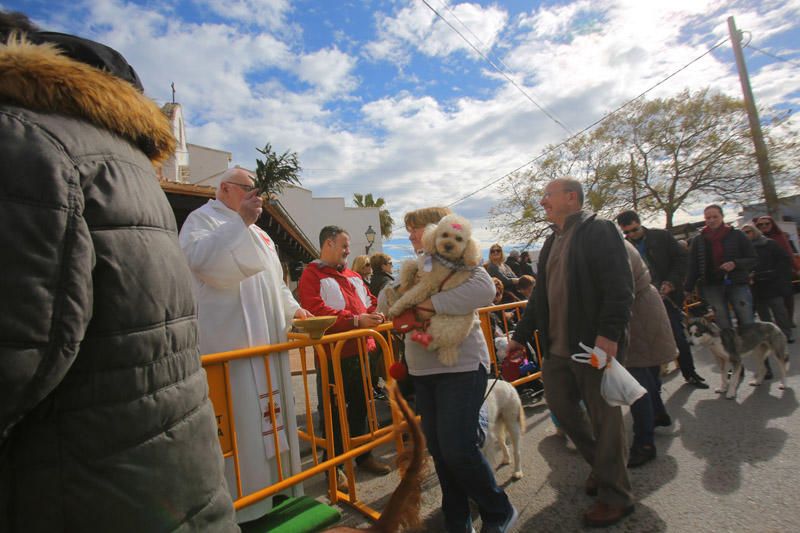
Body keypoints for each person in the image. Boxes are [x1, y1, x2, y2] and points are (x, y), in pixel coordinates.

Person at [0, 12, 236, 531]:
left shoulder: (22, 140)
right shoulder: (127, 163)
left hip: (83, 491)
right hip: (162, 476)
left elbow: (17, 352)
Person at [179, 167, 312, 521]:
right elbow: (205, 263)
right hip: (232, 350)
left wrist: (296, 309)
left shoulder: (262, 236)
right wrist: (239, 224)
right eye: (250, 189)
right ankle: (243, 506)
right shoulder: (200, 220)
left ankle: (279, 489)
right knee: (243, 428)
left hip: (267, 349)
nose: (258, 197)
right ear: (225, 188)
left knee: (272, 418)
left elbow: (277, 284)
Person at [379, 207, 518, 533]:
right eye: (409, 229)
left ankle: (498, 509)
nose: (410, 235)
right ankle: (457, 519)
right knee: (441, 450)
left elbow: (484, 289)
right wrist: (391, 304)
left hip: (462, 366)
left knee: (457, 447)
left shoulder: (456, 260)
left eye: (415, 228)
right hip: (424, 371)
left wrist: (427, 306)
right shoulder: (412, 269)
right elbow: (390, 310)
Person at [507, 178, 635, 527]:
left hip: (592, 346)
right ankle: (603, 468)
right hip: (557, 350)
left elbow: (620, 287)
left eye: (548, 195)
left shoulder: (601, 230)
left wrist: (608, 336)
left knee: (605, 420)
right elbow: (539, 297)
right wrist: (519, 336)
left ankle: (616, 497)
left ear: (571, 198)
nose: (543, 200)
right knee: (562, 409)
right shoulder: (551, 240)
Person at [297, 226, 391, 490]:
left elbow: (370, 301)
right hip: (334, 355)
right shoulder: (311, 275)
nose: (349, 251)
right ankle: (333, 468)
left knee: (362, 405)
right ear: (328, 243)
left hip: (364, 350)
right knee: (334, 410)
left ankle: (362, 456)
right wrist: (356, 320)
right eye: (345, 245)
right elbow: (314, 309)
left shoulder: (352, 275)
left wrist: (376, 314)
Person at [615, 210, 708, 388]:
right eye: (626, 232)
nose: (631, 235)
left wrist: (671, 282)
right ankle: (654, 383)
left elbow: (682, 259)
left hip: (668, 296)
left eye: (634, 230)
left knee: (677, 336)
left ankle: (690, 373)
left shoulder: (662, 236)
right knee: (647, 341)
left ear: (639, 223)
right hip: (642, 300)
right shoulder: (623, 247)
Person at [621, 241, 677, 468]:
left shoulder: (609, 244)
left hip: (636, 316)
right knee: (649, 370)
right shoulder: (619, 242)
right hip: (646, 309)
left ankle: (644, 443)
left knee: (637, 382)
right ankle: (657, 412)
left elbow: (618, 287)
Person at [685, 205, 756, 334]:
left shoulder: (737, 235)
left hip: (737, 282)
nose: (711, 220)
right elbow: (693, 266)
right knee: (722, 322)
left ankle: (756, 350)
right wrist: (688, 288)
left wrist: (735, 264)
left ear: (722, 217)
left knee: (746, 318)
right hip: (712, 285)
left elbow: (752, 258)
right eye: (708, 218)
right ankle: (731, 351)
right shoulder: (698, 240)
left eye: (715, 217)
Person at [742, 223, 794, 343]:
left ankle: (786, 334)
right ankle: (770, 337)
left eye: (748, 231)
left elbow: (783, 260)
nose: (746, 235)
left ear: (754, 231)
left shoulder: (769, 243)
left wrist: (776, 274)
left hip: (772, 283)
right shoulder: (743, 249)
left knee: (779, 311)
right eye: (743, 233)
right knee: (763, 314)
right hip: (756, 285)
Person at [755, 215, 797, 327]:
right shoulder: (756, 239)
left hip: (783, 271)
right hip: (767, 273)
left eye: (767, 223)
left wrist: (796, 268)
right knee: (775, 300)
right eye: (760, 224)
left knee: (787, 296)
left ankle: (789, 319)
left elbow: (789, 253)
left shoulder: (780, 236)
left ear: (772, 224)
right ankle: (779, 322)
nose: (764, 226)